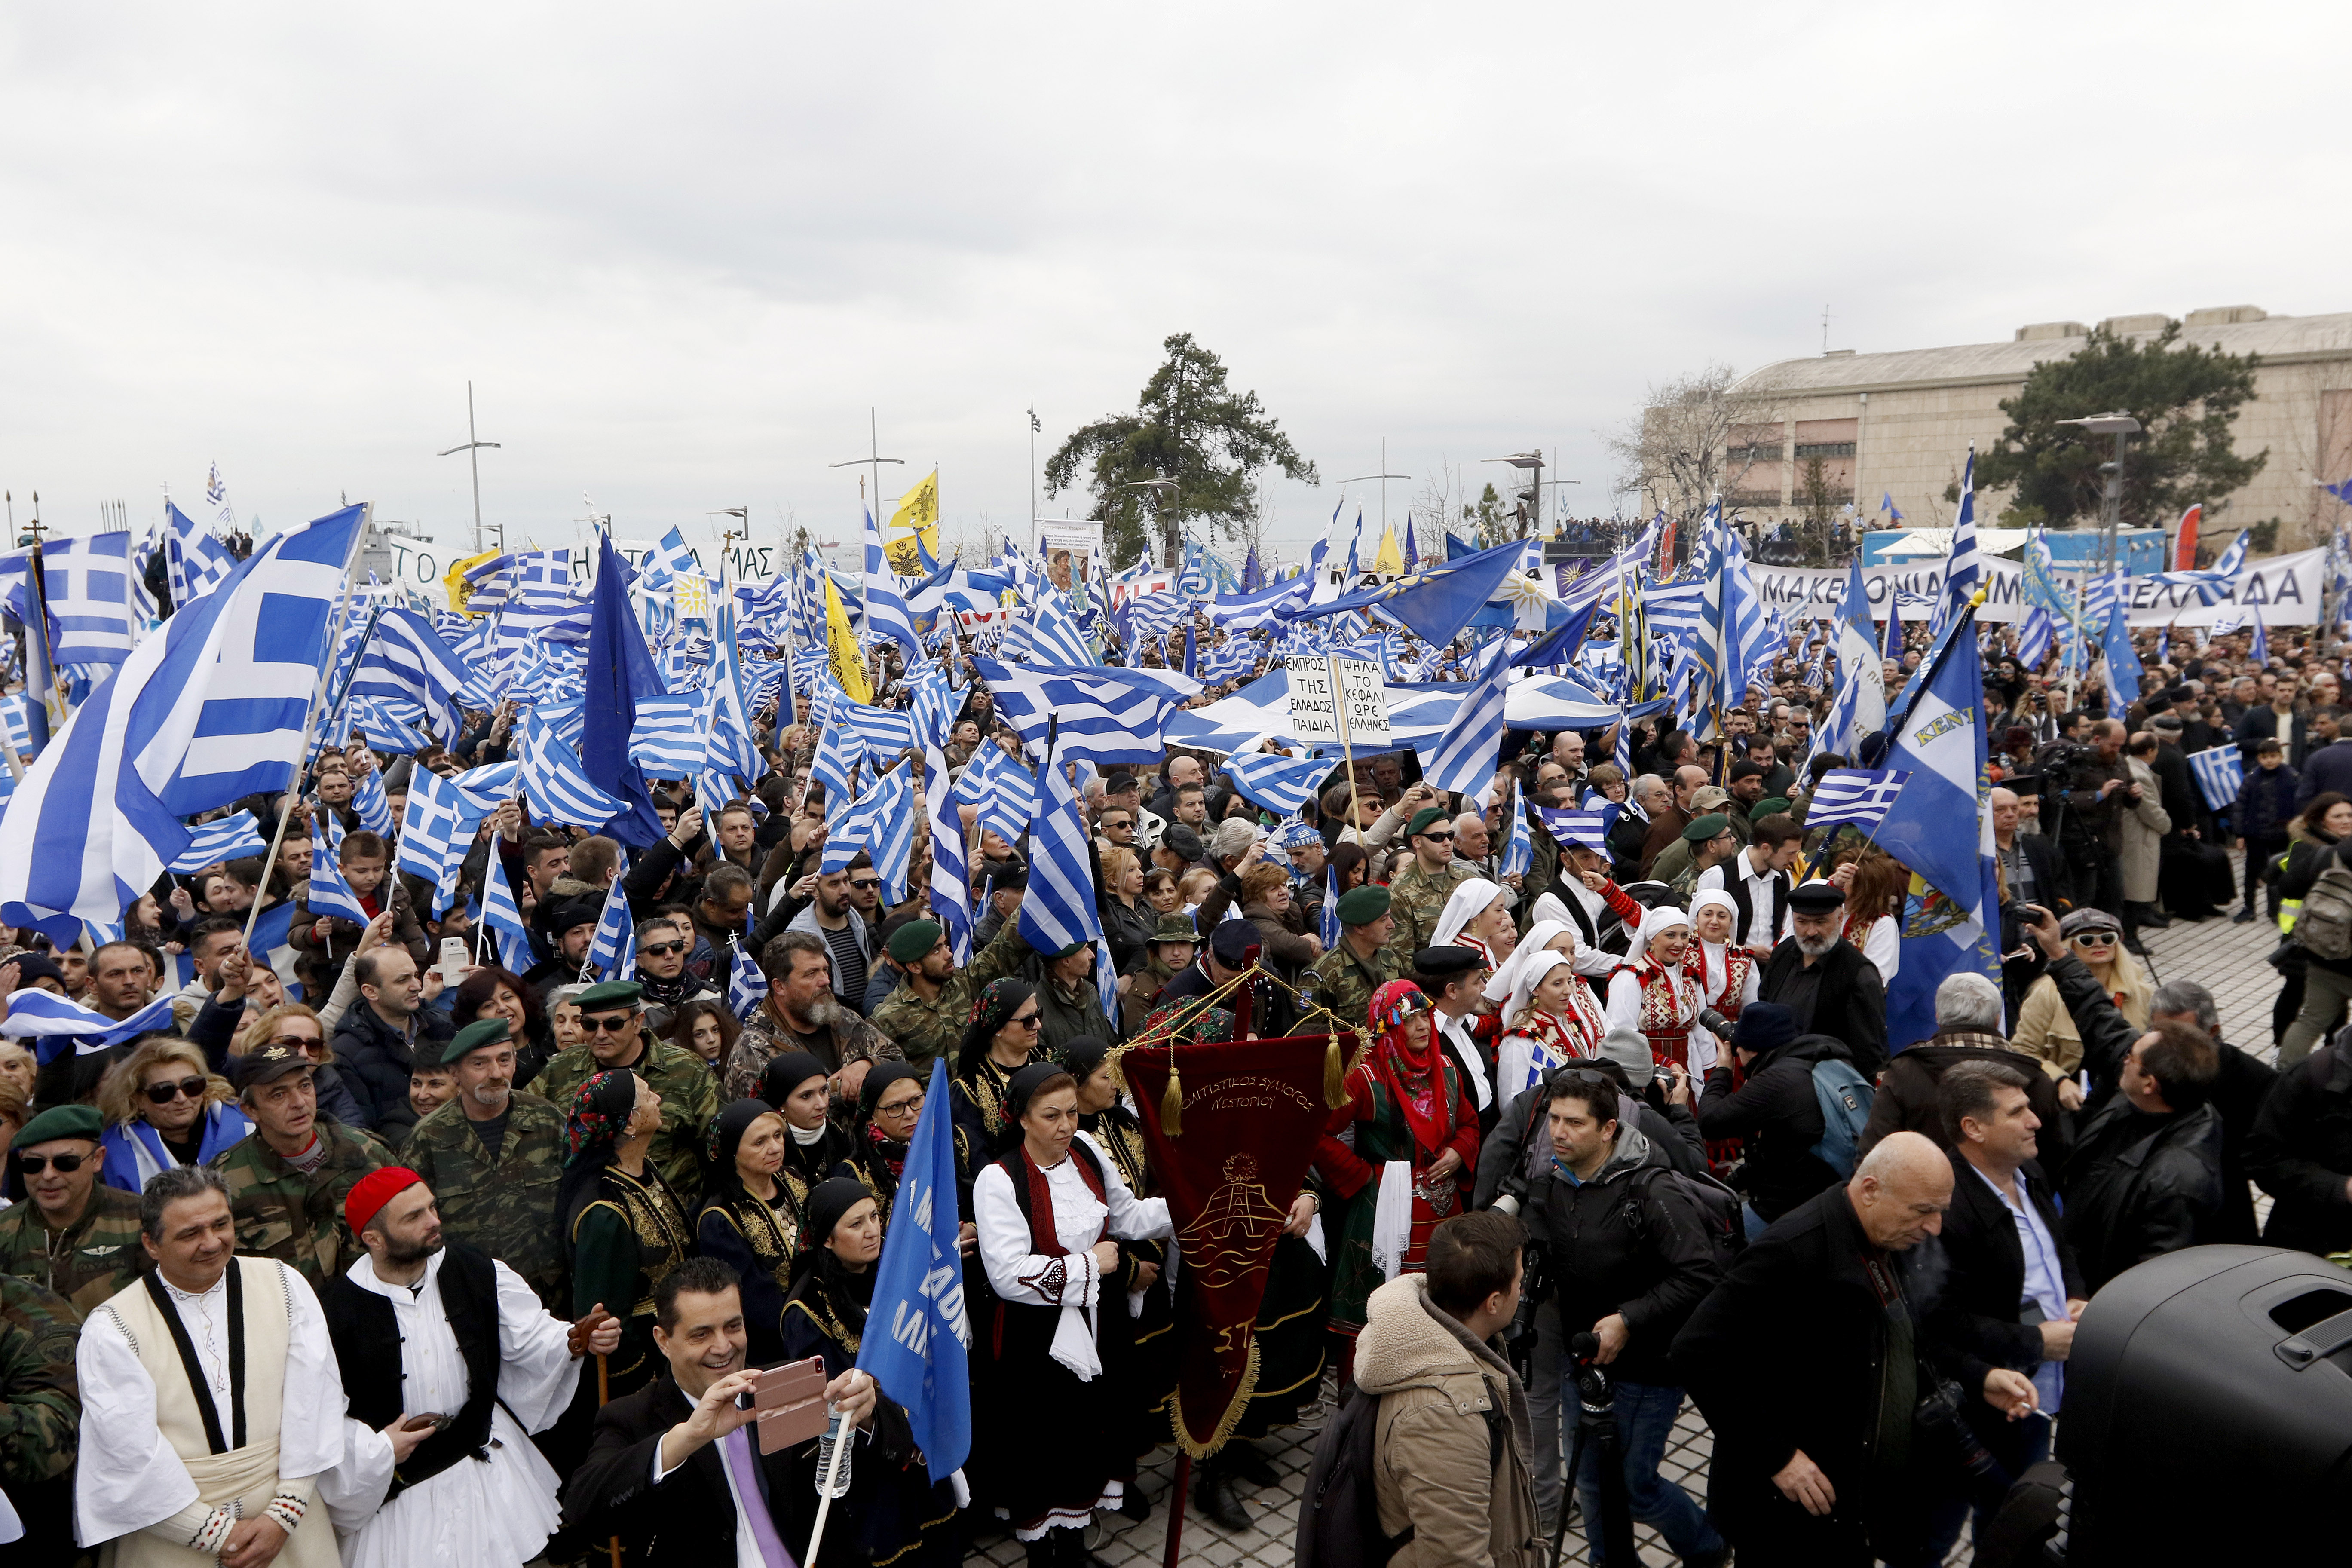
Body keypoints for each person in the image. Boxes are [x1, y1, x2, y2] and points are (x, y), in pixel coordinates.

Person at [1673, 1134, 2039, 1568]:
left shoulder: (1888, 1238)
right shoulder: (1794, 1250)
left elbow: (1905, 1339)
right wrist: (1778, 1455)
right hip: (1789, 1520)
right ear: (1870, 1191)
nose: (1935, 1228)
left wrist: (1980, 1376)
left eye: (1941, 1211)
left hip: (1853, 1507)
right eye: (1924, 1211)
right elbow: (1695, 1351)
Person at [318, 1168, 622, 1568]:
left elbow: (528, 1335)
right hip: (399, 1496)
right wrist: (380, 1449)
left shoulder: (474, 1270)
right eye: (414, 1217)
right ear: (373, 1239)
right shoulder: (333, 1312)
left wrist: (574, 1341)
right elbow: (322, 1417)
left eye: (432, 1207)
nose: (434, 1222)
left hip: (486, 1469)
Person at [73, 1165, 347, 1568]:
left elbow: (315, 1403)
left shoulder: (283, 1284)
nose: (212, 1242)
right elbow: (127, 1454)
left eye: (221, 1224)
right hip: (171, 1533)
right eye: (190, 1234)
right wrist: (218, 1536)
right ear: (151, 1244)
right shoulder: (113, 1327)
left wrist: (284, 1514)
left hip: (287, 1522)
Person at [970, 1063, 1173, 1563]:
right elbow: (1008, 1273)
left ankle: (1074, 1542)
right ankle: (1043, 1550)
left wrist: (1188, 1205)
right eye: (1051, 1116)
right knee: (1045, 1438)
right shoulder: (998, 1180)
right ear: (1020, 1118)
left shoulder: (1087, 1150)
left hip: (1096, 1322)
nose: (1065, 1126)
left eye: (1072, 1113)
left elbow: (1125, 1215)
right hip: (1035, 1335)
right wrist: (1089, 1264)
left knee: (1088, 1428)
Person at [559, 1256, 880, 1567]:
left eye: (733, 1327)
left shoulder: (785, 1384)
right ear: (663, 1341)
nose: (724, 1346)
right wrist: (687, 1438)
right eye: (701, 1334)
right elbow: (584, 1508)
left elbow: (888, 1450)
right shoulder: (632, 1417)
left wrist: (863, 1413)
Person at [1526, 1069, 1724, 1567]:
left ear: (1609, 1129)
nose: (1559, 1133)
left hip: (1647, 1370)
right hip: (1585, 1364)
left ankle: (1707, 1548)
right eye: (1553, 1120)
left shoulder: (1652, 1191)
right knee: (1591, 1481)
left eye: (1574, 1123)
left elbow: (1700, 1275)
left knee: (1635, 1488)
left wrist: (1628, 1319)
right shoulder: (1557, 1179)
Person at [1920, 1062, 2084, 1557]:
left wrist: (2074, 1293)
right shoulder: (1945, 1208)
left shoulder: (2027, 1171)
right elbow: (1939, 1321)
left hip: (2036, 1390)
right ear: (1974, 1128)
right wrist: (2035, 1341)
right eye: (2018, 1112)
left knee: (2015, 1515)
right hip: (1980, 1403)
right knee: (1939, 1529)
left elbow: (2058, 1248)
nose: (2036, 1120)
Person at [776, 1177, 963, 1565]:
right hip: (869, 1463)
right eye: (856, 1224)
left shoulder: (897, 1276)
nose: (873, 1231)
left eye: (875, 1217)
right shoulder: (806, 1310)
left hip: (922, 1437)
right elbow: (829, 1400)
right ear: (827, 1239)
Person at [1351, 1210, 1544, 1568]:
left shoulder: (1444, 1334)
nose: (1523, 1289)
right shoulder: (1442, 1418)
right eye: (1519, 1281)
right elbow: (1455, 1559)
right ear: (1494, 1303)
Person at [1317, 981, 1481, 1345]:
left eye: (1425, 1016)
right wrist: (1365, 1177)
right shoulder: (1365, 1077)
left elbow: (1469, 1122)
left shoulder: (1446, 1069)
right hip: (1384, 1209)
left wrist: (1458, 1150)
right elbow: (1319, 1134)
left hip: (1444, 1211)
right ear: (1388, 1028)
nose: (1423, 1027)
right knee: (1388, 1310)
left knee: (1445, 1299)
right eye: (1410, 1021)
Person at [401, 1016, 571, 1313]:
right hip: (471, 1298)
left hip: (552, 1297)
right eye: (480, 1064)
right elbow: (414, 1223)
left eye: (504, 1060)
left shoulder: (548, 1121)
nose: (496, 1073)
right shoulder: (429, 1139)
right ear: (455, 1073)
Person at [209, 1041, 394, 1287]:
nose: (299, 1102)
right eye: (279, 1095)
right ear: (251, 1111)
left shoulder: (368, 1153)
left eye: (305, 1086)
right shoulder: (225, 1181)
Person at [560, 1068, 693, 1399]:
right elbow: (605, 1318)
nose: (658, 1099)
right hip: (647, 1375)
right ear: (630, 1124)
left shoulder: (643, 1170)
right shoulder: (603, 1211)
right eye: (648, 1096)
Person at [538, 980, 720, 1211]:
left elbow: (719, 1145)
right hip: (593, 1215)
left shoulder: (687, 1070)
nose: (601, 1034)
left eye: (613, 1024)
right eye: (590, 1025)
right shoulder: (562, 1069)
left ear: (638, 1023)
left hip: (673, 1216)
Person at [1694, 1002, 1856, 1236]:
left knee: (1712, 1235)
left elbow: (1709, 1122)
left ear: (1753, 1050)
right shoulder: (1816, 1058)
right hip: (1832, 1191)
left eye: (1740, 1046)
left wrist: (1723, 1070)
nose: (1737, 1052)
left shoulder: (1777, 1081)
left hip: (1789, 1209)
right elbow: (1770, 1154)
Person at [723, 931, 901, 1104]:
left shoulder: (842, 1017)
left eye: (825, 970)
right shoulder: (754, 1048)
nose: (825, 980)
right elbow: (766, 1121)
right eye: (811, 974)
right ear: (780, 987)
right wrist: (842, 1087)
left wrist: (867, 1065)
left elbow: (896, 1058)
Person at [0, 1103, 146, 1312]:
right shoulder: (4, 1230)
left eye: (66, 1162)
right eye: (33, 1164)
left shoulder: (141, 1220)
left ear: (97, 1159)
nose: (48, 1175)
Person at [695, 1098, 799, 1364]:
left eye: (778, 1136)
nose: (775, 1148)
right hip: (771, 1345)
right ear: (733, 1153)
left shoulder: (794, 1181)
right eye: (760, 1142)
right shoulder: (720, 1218)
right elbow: (753, 1300)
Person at [2009, 907, 2150, 1090]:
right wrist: (2060, 1081)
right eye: (2087, 940)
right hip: (2069, 1096)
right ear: (2069, 946)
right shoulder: (2045, 994)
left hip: (2124, 1091)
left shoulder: (2142, 992)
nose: (2099, 944)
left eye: (2108, 938)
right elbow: (2023, 1050)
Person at [1756, 881, 1887, 1077]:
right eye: (1802, 922)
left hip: (1823, 1089)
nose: (1811, 932)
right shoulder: (1783, 955)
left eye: (1820, 922)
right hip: (1773, 1079)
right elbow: (1764, 1004)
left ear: (1840, 918)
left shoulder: (1859, 975)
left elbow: (1868, 1055)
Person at [96, 1035, 253, 1190]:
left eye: (191, 1085)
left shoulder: (247, 1123)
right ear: (138, 1099)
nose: (181, 1098)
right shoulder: (110, 1153)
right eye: (164, 1091)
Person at [331, 946, 456, 1136]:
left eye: (416, 975)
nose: (417, 986)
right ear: (371, 992)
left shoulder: (444, 1028)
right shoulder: (346, 1053)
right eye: (403, 980)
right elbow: (360, 1132)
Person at [1605, 906, 1715, 1072]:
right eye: (1670, 935)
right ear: (1652, 939)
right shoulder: (1631, 977)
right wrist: (1662, 1062)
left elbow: (1702, 1032)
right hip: (1645, 1069)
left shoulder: (1689, 976)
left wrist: (1710, 1072)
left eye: (1685, 936)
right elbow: (1623, 1036)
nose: (1679, 943)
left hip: (1690, 1064)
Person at [950, 980, 1045, 1155]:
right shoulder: (969, 1089)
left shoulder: (1049, 1060)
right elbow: (976, 1158)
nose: (1038, 1025)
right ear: (999, 1027)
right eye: (1029, 1020)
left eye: (1038, 1015)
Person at [1694, 813, 1801, 952]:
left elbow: (1786, 925)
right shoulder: (1719, 876)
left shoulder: (1784, 877)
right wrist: (1746, 951)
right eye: (1790, 853)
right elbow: (1698, 932)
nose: (1794, 860)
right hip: (1727, 967)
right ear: (1766, 848)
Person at [1384, 807, 1478, 962]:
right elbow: (1402, 959)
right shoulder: (1400, 892)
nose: (1447, 843)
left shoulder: (1468, 880)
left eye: (1450, 836)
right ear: (1417, 841)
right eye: (1438, 837)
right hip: (1430, 981)